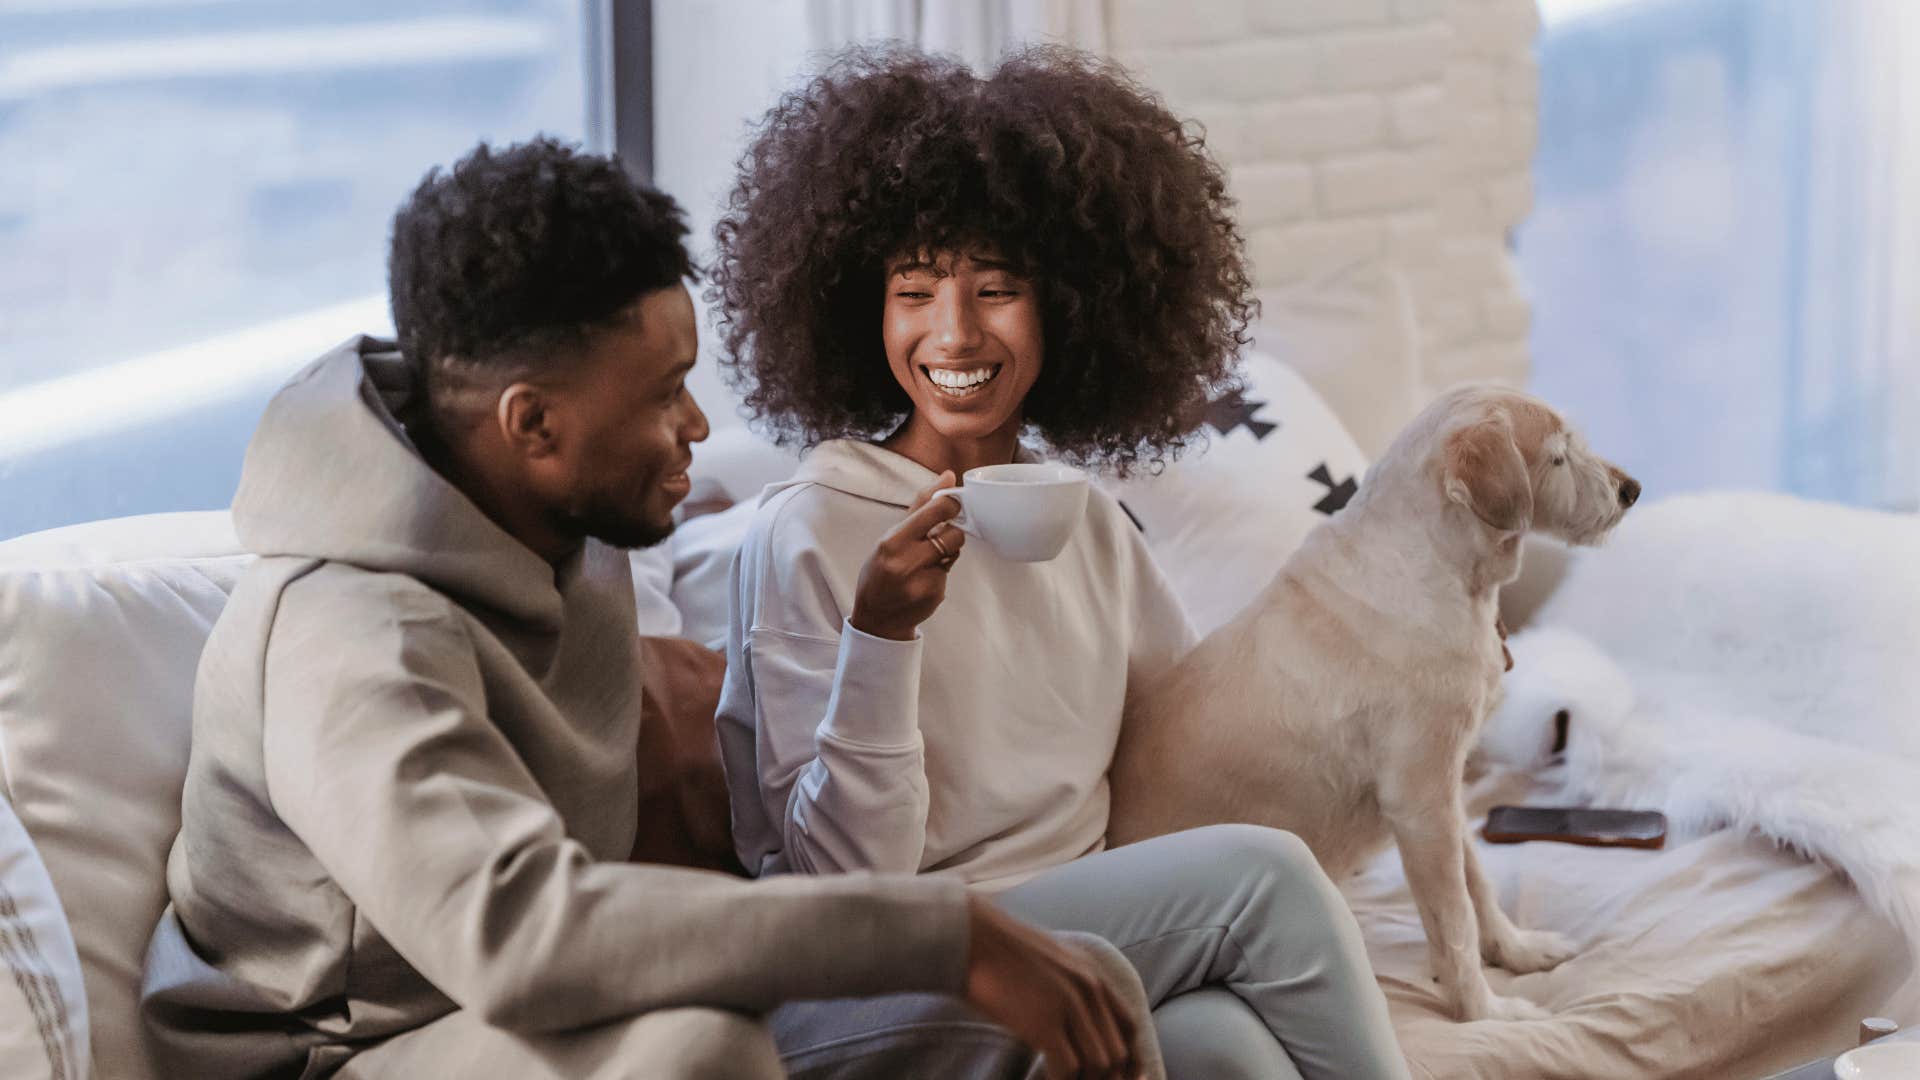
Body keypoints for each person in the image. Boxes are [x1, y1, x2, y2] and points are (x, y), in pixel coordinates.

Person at [138, 137, 1158, 1080]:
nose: (699, 424)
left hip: (515, 1014)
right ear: (531, 423)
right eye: (665, 392)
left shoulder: (555, 524)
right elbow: (520, 933)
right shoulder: (345, 640)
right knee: (697, 1050)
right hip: (343, 1052)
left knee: (1109, 1000)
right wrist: (944, 933)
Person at [712, 46, 1413, 1080]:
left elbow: (1201, 744)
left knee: (1227, 1053)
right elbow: (850, 883)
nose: (954, 332)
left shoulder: (1084, 522)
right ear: (865, 310)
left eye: (996, 289)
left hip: (1079, 954)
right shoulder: (812, 526)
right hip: (874, 971)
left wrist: (1412, 663)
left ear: (1069, 307)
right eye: (915, 291)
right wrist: (882, 636)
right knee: (1267, 881)